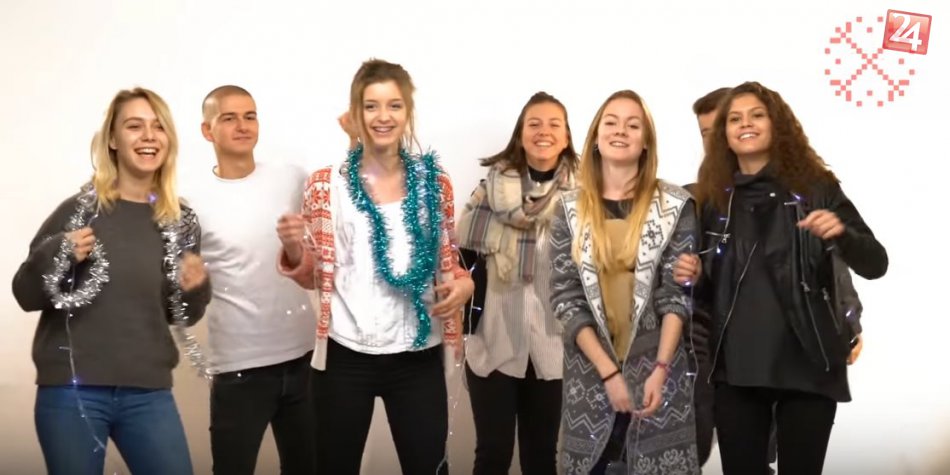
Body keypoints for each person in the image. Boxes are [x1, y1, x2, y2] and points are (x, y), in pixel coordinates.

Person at [276, 58, 474, 475]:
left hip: (417, 353)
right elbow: (313, 275)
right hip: (346, 356)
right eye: (371, 106)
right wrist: (294, 249)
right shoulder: (326, 185)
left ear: (407, 112)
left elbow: (449, 259)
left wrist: (464, 286)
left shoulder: (434, 182)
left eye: (394, 105)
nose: (383, 116)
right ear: (356, 112)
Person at [679, 81, 887, 474]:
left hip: (807, 366)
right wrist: (695, 275)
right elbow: (707, 294)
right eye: (735, 118)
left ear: (777, 124)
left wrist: (841, 234)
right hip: (736, 371)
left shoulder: (817, 188)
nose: (746, 124)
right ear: (723, 133)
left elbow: (876, 263)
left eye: (757, 115)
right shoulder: (712, 198)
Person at [12, 87, 210, 475]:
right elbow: (24, 293)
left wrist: (195, 286)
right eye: (134, 126)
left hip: (148, 392)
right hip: (73, 394)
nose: (149, 136)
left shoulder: (179, 221)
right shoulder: (78, 211)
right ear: (113, 140)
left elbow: (180, 314)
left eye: (158, 127)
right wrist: (58, 253)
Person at [549, 90, 700, 474]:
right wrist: (609, 373)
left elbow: (676, 296)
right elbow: (565, 298)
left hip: (658, 376)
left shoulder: (675, 205)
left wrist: (661, 368)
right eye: (611, 123)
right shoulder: (568, 209)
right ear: (595, 136)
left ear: (646, 141)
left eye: (633, 125)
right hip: (589, 376)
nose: (620, 131)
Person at [183, 85, 315, 474]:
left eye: (250, 116)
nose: (243, 126)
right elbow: (184, 291)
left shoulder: (292, 178)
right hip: (238, 368)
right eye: (229, 118)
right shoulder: (190, 201)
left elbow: (327, 238)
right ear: (207, 130)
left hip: (304, 358)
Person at [456, 91, 578, 474]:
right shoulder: (486, 194)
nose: (544, 131)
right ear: (520, 135)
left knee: (541, 459)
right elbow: (461, 262)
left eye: (554, 124)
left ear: (566, 137)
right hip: (493, 342)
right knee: (492, 456)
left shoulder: (582, 201)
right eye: (534, 124)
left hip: (553, 346)